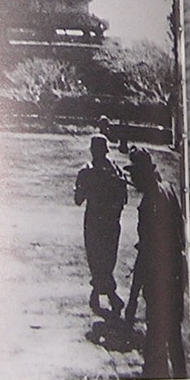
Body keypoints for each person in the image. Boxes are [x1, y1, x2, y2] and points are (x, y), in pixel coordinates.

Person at [124, 147, 187, 379]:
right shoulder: (168, 190)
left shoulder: (148, 204)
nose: (131, 179)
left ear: (143, 174)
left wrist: (132, 299)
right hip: (176, 276)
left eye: (134, 174)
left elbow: (146, 254)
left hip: (159, 283)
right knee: (174, 340)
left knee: (156, 350)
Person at [73, 134, 128, 318]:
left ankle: (106, 295)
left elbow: (78, 200)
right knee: (105, 259)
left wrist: (84, 188)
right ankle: (103, 295)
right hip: (110, 221)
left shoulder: (87, 171)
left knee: (97, 259)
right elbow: (123, 199)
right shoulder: (115, 170)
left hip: (97, 221)